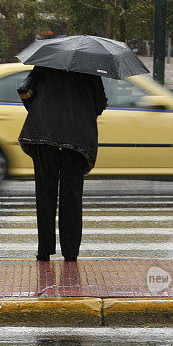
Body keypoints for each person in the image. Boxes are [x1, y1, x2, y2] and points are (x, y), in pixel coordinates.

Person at [17, 66, 107, 261]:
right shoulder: (89, 69)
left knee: (45, 192)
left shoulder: (45, 64)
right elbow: (99, 104)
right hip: (77, 139)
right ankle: (70, 251)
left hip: (42, 133)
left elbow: (24, 90)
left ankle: (44, 250)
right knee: (72, 194)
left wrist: (39, 108)